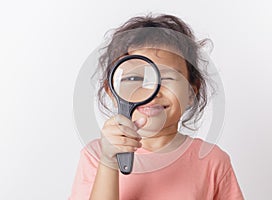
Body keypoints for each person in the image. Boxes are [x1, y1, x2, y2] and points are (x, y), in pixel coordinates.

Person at [69, 13, 244, 200]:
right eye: (135, 78)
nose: (151, 91)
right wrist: (108, 162)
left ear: (192, 92)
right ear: (113, 91)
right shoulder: (96, 156)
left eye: (167, 78)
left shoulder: (213, 161)